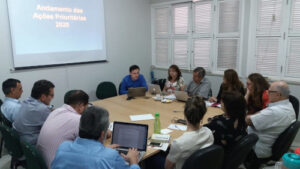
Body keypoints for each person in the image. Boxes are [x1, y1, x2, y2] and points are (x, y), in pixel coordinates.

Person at [51, 106, 140, 169]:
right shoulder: (110, 156)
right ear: (102, 134)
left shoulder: (63, 147)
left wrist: (102, 149)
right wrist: (133, 161)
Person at [245, 81, 296, 169]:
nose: (267, 93)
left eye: (269, 91)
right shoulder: (289, 105)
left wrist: (249, 116)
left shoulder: (274, 112)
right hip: (270, 144)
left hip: (258, 148)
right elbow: (261, 114)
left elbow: (248, 121)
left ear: (278, 95)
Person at [37, 90, 89, 169]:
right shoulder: (77, 119)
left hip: (42, 161)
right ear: (81, 106)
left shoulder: (56, 111)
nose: (87, 110)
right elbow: (91, 143)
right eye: (86, 107)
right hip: (55, 165)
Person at [165, 96, 214, 169]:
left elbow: (167, 167)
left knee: (152, 159)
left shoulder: (178, 143)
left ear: (185, 114)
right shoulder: (209, 133)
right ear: (203, 115)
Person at [13, 79, 55, 145]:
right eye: (52, 95)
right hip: (32, 143)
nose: (52, 98)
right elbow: (55, 127)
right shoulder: (42, 109)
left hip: (22, 140)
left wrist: (49, 108)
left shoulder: (26, 101)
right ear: (43, 97)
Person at [205, 91, 247, 156]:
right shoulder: (241, 118)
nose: (220, 102)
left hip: (216, 155)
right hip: (230, 152)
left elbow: (204, 128)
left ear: (227, 106)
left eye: (222, 101)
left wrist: (212, 121)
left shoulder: (220, 122)